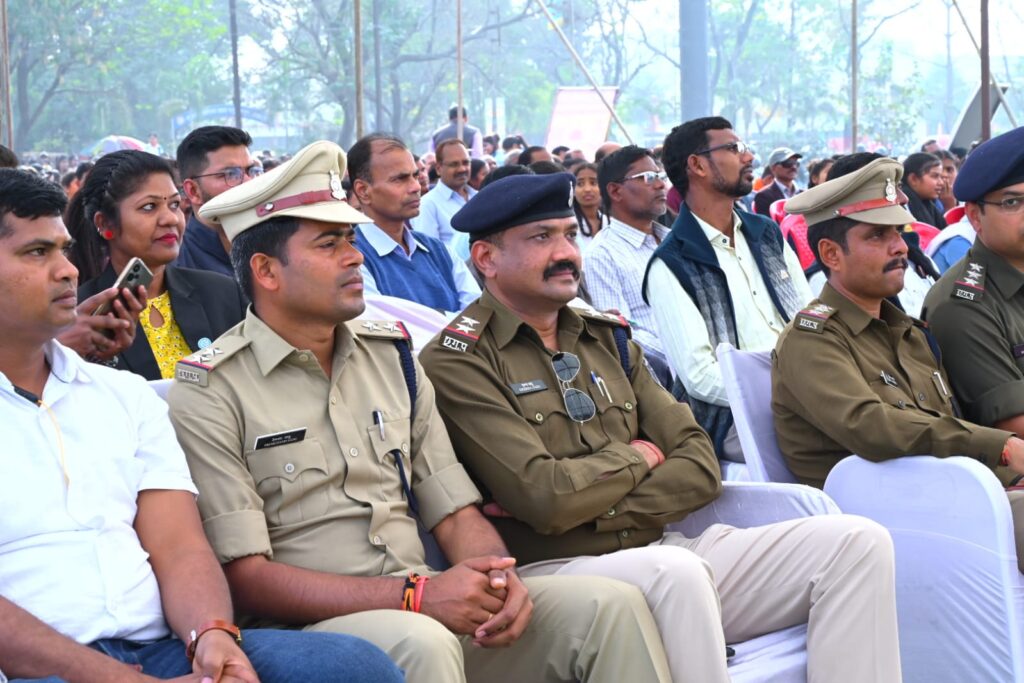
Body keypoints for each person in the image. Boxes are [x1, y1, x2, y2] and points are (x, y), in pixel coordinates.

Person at [166, 141, 674, 683]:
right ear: (266, 271)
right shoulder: (211, 388)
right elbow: (245, 576)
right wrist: (415, 596)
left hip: (423, 601)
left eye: (351, 239)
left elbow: (454, 511)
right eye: (329, 244)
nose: (355, 257)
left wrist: (497, 578)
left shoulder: (391, 356)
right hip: (318, 634)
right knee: (423, 641)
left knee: (607, 608)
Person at [419, 171, 902, 683]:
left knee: (856, 543)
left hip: (662, 548)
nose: (565, 252)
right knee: (678, 574)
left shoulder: (607, 340)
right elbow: (545, 496)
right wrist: (642, 456)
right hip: (559, 571)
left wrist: (596, 503)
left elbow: (699, 464)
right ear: (486, 259)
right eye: (542, 238)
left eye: (569, 234)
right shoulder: (460, 360)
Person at [0, 168, 403, 683]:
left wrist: (212, 637)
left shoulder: (121, 396)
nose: (67, 271)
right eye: (37, 253)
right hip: (35, 668)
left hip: (160, 648)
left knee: (355, 666)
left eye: (63, 250)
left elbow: (179, 546)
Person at [770, 156, 1024, 569]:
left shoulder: (908, 333)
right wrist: (998, 446)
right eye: (877, 235)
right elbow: (873, 427)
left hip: (949, 502)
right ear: (831, 254)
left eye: (899, 233)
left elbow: (946, 426)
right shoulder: (812, 340)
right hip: (884, 527)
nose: (901, 247)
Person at [643, 117, 812, 460]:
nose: (749, 157)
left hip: (807, 391)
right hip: (734, 417)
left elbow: (809, 318)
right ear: (697, 165)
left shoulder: (765, 233)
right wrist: (791, 394)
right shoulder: (672, 263)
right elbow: (700, 378)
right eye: (734, 148)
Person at [922, 125, 1024, 562]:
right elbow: (1014, 425)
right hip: (1002, 487)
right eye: (1013, 202)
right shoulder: (963, 303)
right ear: (975, 216)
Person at [68, 151, 246, 381]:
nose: (171, 218)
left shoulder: (222, 293)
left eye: (174, 204)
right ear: (105, 223)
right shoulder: (82, 318)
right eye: (149, 207)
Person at [348, 134, 480, 314]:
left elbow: (478, 315)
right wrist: (452, 322)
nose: (416, 187)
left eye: (415, 176)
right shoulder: (353, 260)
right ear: (363, 191)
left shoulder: (440, 251)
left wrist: (432, 321)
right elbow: (386, 326)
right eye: (400, 179)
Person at [583, 146, 671, 381]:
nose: (660, 185)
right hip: (663, 379)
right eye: (648, 178)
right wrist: (682, 354)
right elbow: (623, 334)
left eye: (660, 176)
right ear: (615, 191)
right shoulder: (602, 255)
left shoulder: (674, 240)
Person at [175, 126, 264, 277]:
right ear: (193, 191)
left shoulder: (275, 245)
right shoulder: (176, 267)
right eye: (231, 174)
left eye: (251, 171)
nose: (249, 182)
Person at [900, 152, 946, 229]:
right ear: (914, 179)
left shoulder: (930, 204)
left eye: (941, 177)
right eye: (935, 176)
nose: (941, 183)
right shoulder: (903, 206)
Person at [753, 147, 802, 217]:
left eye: (796, 163)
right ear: (773, 168)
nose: (794, 167)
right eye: (788, 163)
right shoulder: (763, 196)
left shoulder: (804, 194)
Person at [571, 162, 602, 250]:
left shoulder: (610, 222)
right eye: (580, 184)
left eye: (593, 183)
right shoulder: (568, 224)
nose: (587, 189)